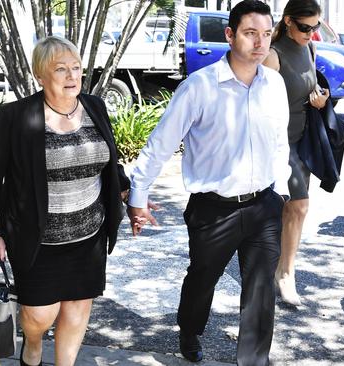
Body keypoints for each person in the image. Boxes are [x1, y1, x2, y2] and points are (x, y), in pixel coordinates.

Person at [127, 1, 290, 364]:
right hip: (213, 208)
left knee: (262, 289)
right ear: (230, 35)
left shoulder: (274, 85)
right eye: (250, 33)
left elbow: (280, 142)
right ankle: (189, 329)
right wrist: (138, 196)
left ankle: (252, 359)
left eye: (266, 34)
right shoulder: (200, 87)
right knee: (202, 278)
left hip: (264, 204)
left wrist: (281, 192)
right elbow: (161, 143)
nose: (260, 43)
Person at [0, 36, 130, 366]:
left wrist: (127, 190)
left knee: (77, 311)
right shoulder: (14, 118)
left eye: (76, 68)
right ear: (40, 75)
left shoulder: (94, 107)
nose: (72, 76)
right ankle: (32, 347)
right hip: (38, 239)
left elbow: (108, 160)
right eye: (61, 69)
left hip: (89, 235)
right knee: (39, 316)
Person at [262, 0, 328, 307]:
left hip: (302, 141)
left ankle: (283, 270)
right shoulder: (273, 55)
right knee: (295, 206)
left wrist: (320, 99)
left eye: (315, 27)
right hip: (277, 143)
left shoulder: (310, 49)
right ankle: (282, 273)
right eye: (305, 27)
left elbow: (309, 89)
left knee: (294, 209)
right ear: (288, 21)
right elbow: (258, 105)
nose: (311, 33)